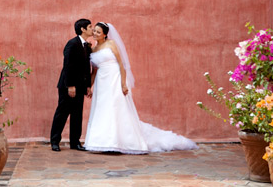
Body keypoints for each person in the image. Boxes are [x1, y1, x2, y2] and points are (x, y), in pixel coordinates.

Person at [84, 22, 198, 154]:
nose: (95, 34)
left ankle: (120, 141)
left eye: (99, 32)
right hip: (101, 83)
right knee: (102, 109)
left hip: (114, 79)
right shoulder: (93, 49)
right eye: (95, 31)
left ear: (105, 34)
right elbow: (94, 71)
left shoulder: (111, 44)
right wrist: (89, 87)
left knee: (116, 107)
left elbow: (122, 65)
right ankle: (103, 142)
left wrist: (123, 84)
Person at [50, 18, 93, 152]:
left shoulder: (87, 46)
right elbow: (67, 66)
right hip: (67, 86)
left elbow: (87, 68)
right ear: (83, 29)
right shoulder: (72, 44)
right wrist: (70, 85)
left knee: (77, 114)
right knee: (62, 113)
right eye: (90, 27)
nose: (92, 29)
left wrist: (87, 86)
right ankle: (55, 141)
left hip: (80, 87)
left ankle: (75, 142)